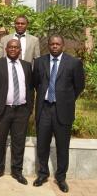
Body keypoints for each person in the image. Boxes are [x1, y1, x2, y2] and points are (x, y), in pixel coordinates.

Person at [32, 35, 85, 193]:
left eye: (57, 44)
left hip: (63, 110)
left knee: (63, 146)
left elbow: (79, 86)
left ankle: (61, 178)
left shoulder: (74, 63)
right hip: (44, 109)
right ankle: (42, 174)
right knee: (42, 145)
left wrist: (65, 99)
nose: (54, 46)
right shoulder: (40, 61)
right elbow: (36, 83)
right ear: (48, 45)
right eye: (52, 44)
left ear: (63, 45)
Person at [0, 39, 34, 185]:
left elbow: (30, 88)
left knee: (19, 143)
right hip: (1, 110)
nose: (13, 49)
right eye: (10, 47)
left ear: (20, 50)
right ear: (6, 49)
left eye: (16, 47)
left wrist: (30, 107)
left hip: (21, 111)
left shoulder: (26, 66)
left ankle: (17, 171)